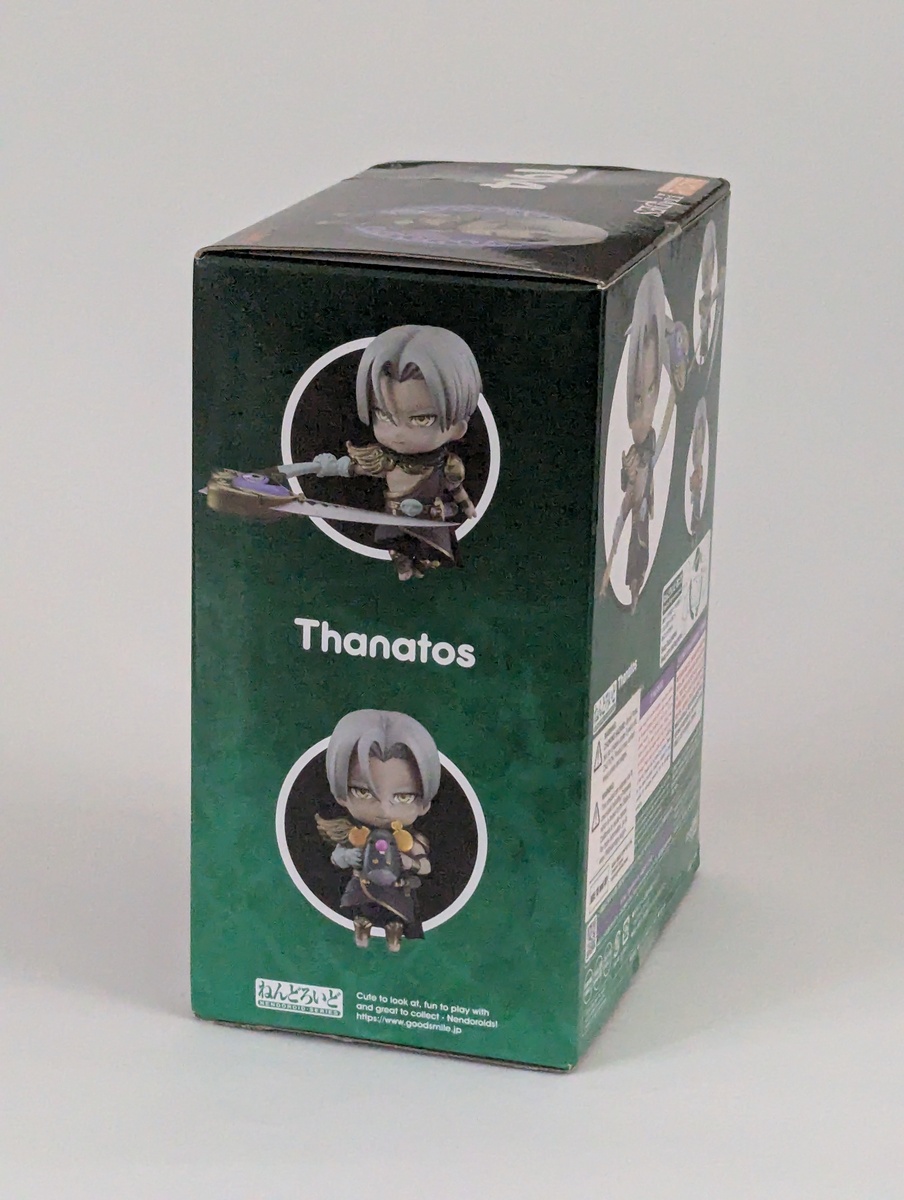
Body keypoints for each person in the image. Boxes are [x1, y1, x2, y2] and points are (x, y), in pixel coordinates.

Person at [282, 325, 482, 581]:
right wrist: (329, 467)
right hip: (395, 516)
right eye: (384, 415)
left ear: (457, 428)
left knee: (429, 555)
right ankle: (404, 563)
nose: (398, 433)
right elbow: (356, 468)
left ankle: (419, 564)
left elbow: (456, 488)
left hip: (430, 519)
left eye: (421, 419)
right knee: (398, 547)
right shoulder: (386, 460)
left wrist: (466, 506)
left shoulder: (448, 465)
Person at [600, 267, 690, 612]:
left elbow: (663, 429)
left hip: (641, 502)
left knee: (637, 542)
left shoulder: (649, 448)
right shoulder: (640, 447)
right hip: (635, 497)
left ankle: (632, 590)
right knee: (626, 532)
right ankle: (618, 583)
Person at [315, 709, 440, 951]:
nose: (384, 809)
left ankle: (394, 929)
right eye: (363, 792)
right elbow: (336, 857)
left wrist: (409, 863)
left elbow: (425, 866)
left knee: (397, 915)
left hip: (397, 891)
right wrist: (347, 856)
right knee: (360, 910)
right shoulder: (355, 834)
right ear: (341, 794)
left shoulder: (410, 840)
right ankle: (363, 926)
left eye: (403, 797)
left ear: (423, 804)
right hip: (362, 887)